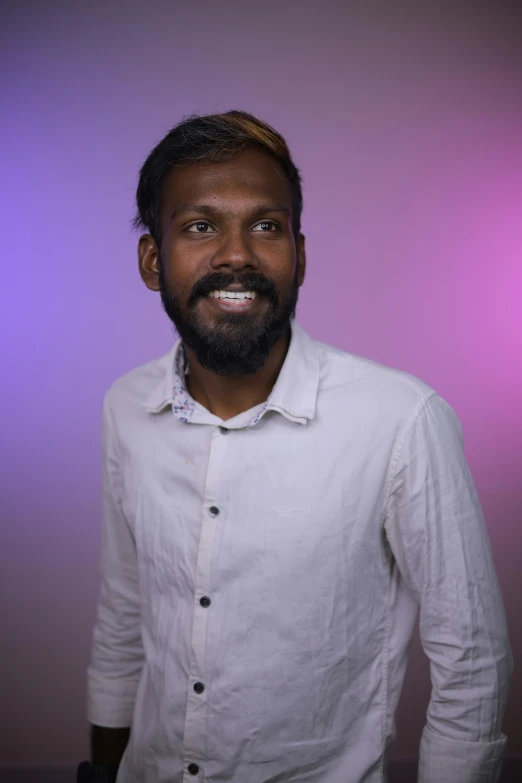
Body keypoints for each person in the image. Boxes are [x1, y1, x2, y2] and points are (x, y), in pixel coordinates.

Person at [81, 110, 512, 783]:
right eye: (200, 225)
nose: (236, 254)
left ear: (299, 255)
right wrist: (102, 768)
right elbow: (123, 608)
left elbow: (472, 663)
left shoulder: (402, 419)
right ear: (151, 259)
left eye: (266, 225)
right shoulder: (126, 407)